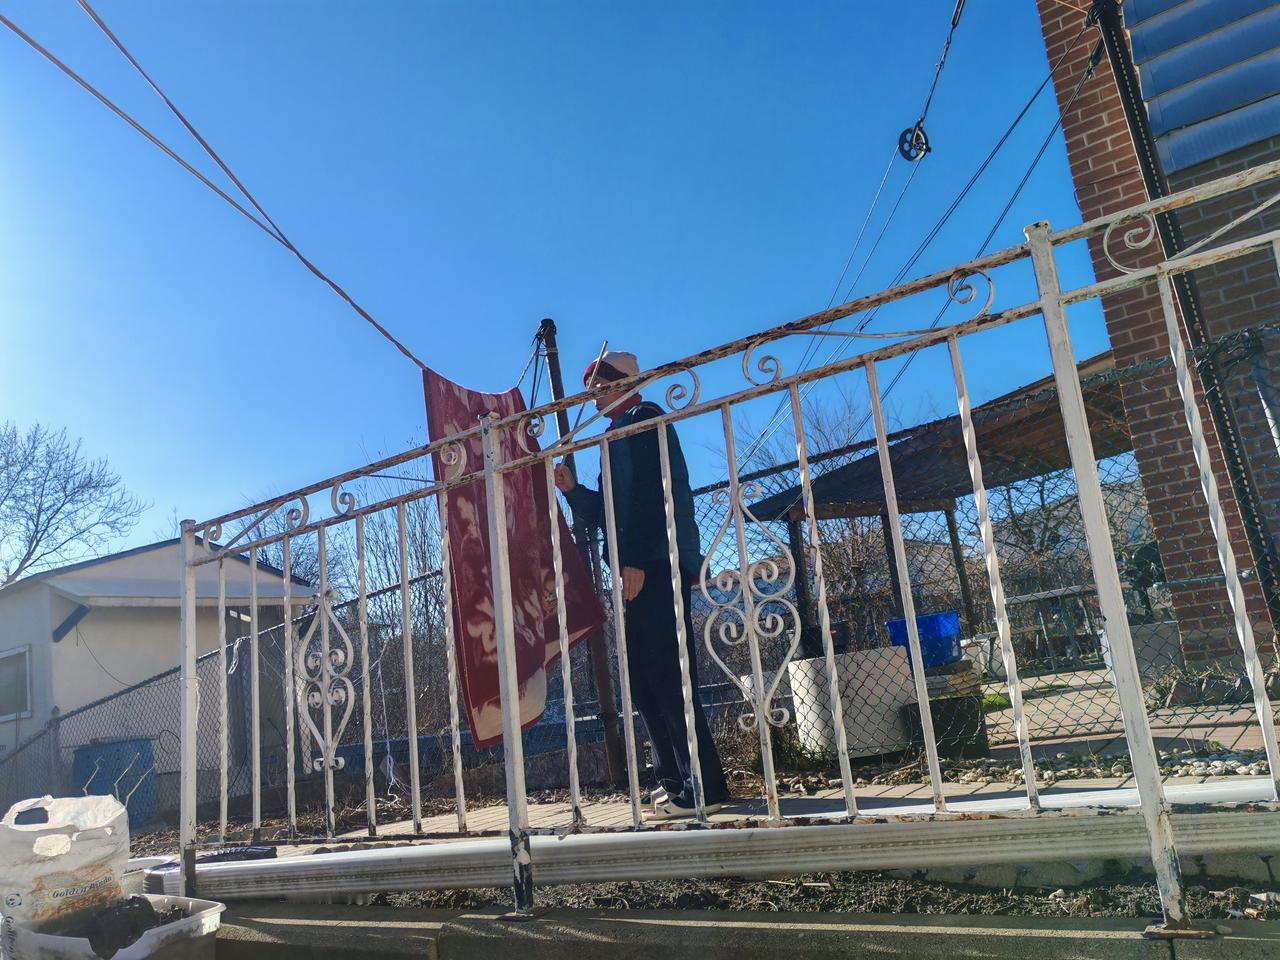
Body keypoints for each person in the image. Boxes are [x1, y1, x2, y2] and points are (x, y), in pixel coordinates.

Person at [554, 350, 729, 819]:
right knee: (645, 679)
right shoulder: (617, 432)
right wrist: (573, 492)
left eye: (599, 386)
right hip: (637, 564)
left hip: (653, 563)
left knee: (669, 676)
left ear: (623, 384)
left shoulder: (643, 418)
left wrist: (634, 559)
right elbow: (614, 510)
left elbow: (654, 495)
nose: (593, 397)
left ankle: (703, 787)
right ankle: (674, 780)